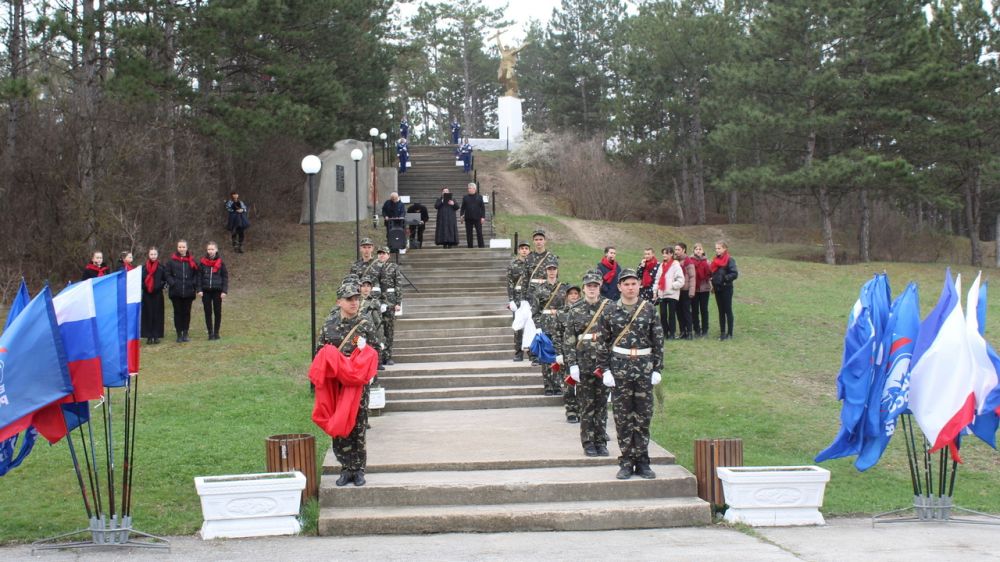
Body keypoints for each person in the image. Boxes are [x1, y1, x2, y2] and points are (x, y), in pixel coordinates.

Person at [596, 268, 664, 480]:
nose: (630, 287)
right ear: (619, 287)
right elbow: (602, 343)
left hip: (643, 369)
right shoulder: (609, 311)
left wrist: (657, 369)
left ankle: (643, 461)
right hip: (620, 369)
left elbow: (658, 340)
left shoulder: (649, 309)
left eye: (634, 283)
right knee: (623, 418)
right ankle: (626, 461)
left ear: (639, 285)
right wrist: (605, 370)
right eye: (626, 284)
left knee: (643, 417)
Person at [316, 281, 381, 487]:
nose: (354, 303)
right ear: (339, 302)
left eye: (356, 299)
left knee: (358, 425)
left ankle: (359, 469)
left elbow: (376, 350)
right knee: (341, 425)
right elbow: (320, 352)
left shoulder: (365, 324)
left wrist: (367, 368)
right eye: (349, 299)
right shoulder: (329, 324)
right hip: (337, 385)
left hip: (357, 385)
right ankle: (345, 468)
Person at [563, 270, 611, 457]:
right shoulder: (575, 310)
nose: (592, 289)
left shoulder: (609, 307)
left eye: (595, 286)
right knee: (587, 405)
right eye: (589, 286)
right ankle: (588, 442)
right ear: (583, 288)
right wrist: (572, 364)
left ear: (599, 288)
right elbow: (569, 340)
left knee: (601, 405)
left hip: (603, 364)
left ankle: (601, 441)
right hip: (583, 364)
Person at [529, 257, 568, 401]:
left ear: (557, 271)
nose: (552, 272)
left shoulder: (564, 288)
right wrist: (538, 327)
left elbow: (567, 308)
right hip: (545, 325)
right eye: (549, 270)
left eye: (554, 269)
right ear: (545, 271)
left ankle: (558, 385)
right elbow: (535, 311)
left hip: (560, 325)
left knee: (559, 356)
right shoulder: (540, 289)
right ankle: (548, 385)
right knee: (546, 357)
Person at [553, 283, 581, 422]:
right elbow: (557, 335)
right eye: (571, 294)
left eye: (576, 294)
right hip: (566, 353)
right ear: (566, 296)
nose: (574, 296)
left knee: (582, 384)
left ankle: (582, 409)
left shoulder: (583, 311)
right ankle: (571, 410)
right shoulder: (561, 313)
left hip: (582, 353)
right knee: (569, 383)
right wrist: (558, 353)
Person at [165, 239, 199, 343]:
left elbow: (196, 274)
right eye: (180, 247)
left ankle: (185, 332)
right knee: (177, 313)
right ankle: (179, 334)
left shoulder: (192, 261)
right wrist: (172, 283)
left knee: (186, 313)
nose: (181, 249)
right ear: (177, 248)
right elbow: (167, 274)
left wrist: (193, 284)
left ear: (187, 248)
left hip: (188, 291)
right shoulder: (171, 261)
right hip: (176, 292)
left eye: (183, 247)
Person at [196, 241, 228, 340]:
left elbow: (225, 277)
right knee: (207, 312)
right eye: (209, 249)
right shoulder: (202, 262)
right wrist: (199, 289)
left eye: (212, 249)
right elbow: (199, 277)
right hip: (205, 291)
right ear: (207, 250)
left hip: (217, 291)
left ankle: (216, 332)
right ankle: (210, 333)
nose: (210, 251)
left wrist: (224, 291)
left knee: (217, 312)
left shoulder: (221, 263)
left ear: (216, 250)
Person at [506, 241, 531, 361]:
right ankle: (518, 352)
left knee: (530, 325)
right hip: (517, 298)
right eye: (522, 248)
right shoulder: (513, 265)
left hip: (530, 298)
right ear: (518, 250)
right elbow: (510, 284)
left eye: (526, 248)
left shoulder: (533, 264)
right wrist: (511, 300)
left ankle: (533, 353)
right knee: (518, 327)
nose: (524, 250)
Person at [377, 247, 402, 366]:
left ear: (388, 255)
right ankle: (378, 356)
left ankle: (388, 355)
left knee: (389, 329)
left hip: (390, 301)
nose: (382, 255)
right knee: (377, 329)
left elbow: (398, 284)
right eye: (380, 253)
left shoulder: (393, 267)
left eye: (384, 253)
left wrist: (398, 302)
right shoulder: (374, 267)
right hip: (376, 302)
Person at [652, 247, 684, 339]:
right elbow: (657, 279)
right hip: (662, 293)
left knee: (671, 315)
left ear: (671, 254)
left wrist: (672, 286)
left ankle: (672, 333)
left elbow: (681, 280)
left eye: (666, 253)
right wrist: (655, 291)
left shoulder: (675, 265)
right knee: (663, 314)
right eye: (663, 253)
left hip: (672, 294)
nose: (664, 255)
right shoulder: (661, 265)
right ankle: (665, 332)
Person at [711, 240, 739, 340]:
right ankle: (722, 333)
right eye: (716, 248)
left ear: (724, 249)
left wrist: (724, 278)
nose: (717, 250)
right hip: (717, 288)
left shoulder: (730, 260)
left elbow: (735, 274)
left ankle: (730, 333)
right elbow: (713, 272)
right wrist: (713, 280)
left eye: (719, 248)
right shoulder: (715, 260)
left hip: (726, 288)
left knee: (728, 310)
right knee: (721, 311)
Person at [140, 247, 166, 344]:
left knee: (157, 314)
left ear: (157, 255)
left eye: (155, 254)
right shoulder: (143, 268)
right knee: (148, 314)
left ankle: (156, 335)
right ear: (148, 255)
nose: (153, 256)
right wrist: (145, 287)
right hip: (147, 294)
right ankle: (148, 336)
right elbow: (141, 280)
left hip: (158, 294)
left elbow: (165, 279)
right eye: (151, 254)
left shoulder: (161, 267)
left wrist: (160, 286)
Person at [675, 243, 696, 340]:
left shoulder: (688, 262)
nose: (676, 251)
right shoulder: (675, 262)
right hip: (677, 290)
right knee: (679, 312)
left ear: (684, 250)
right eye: (675, 249)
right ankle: (682, 331)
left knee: (686, 311)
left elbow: (692, 277)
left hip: (686, 290)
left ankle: (690, 332)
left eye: (678, 249)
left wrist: (691, 291)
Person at [691, 243, 713, 337]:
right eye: (696, 249)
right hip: (694, 289)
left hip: (704, 289)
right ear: (694, 251)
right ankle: (696, 330)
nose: (698, 251)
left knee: (704, 310)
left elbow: (710, 275)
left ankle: (705, 330)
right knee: (695, 310)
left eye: (700, 249)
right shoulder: (690, 261)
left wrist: (712, 286)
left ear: (703, 251)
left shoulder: (707, 262)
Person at [460, 182, 486, 248]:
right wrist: (461, 215)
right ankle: (470, 247)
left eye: (470, 188)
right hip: (468, 218)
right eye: (468, 188)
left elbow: (483, 208)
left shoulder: (480, 197)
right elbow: (462, 208)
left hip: (477, 218)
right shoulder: (465, 197)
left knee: (479, 233)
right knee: (469, 234)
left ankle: (481, 247)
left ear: (474, 189)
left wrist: (483, 217)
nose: (468, 189)